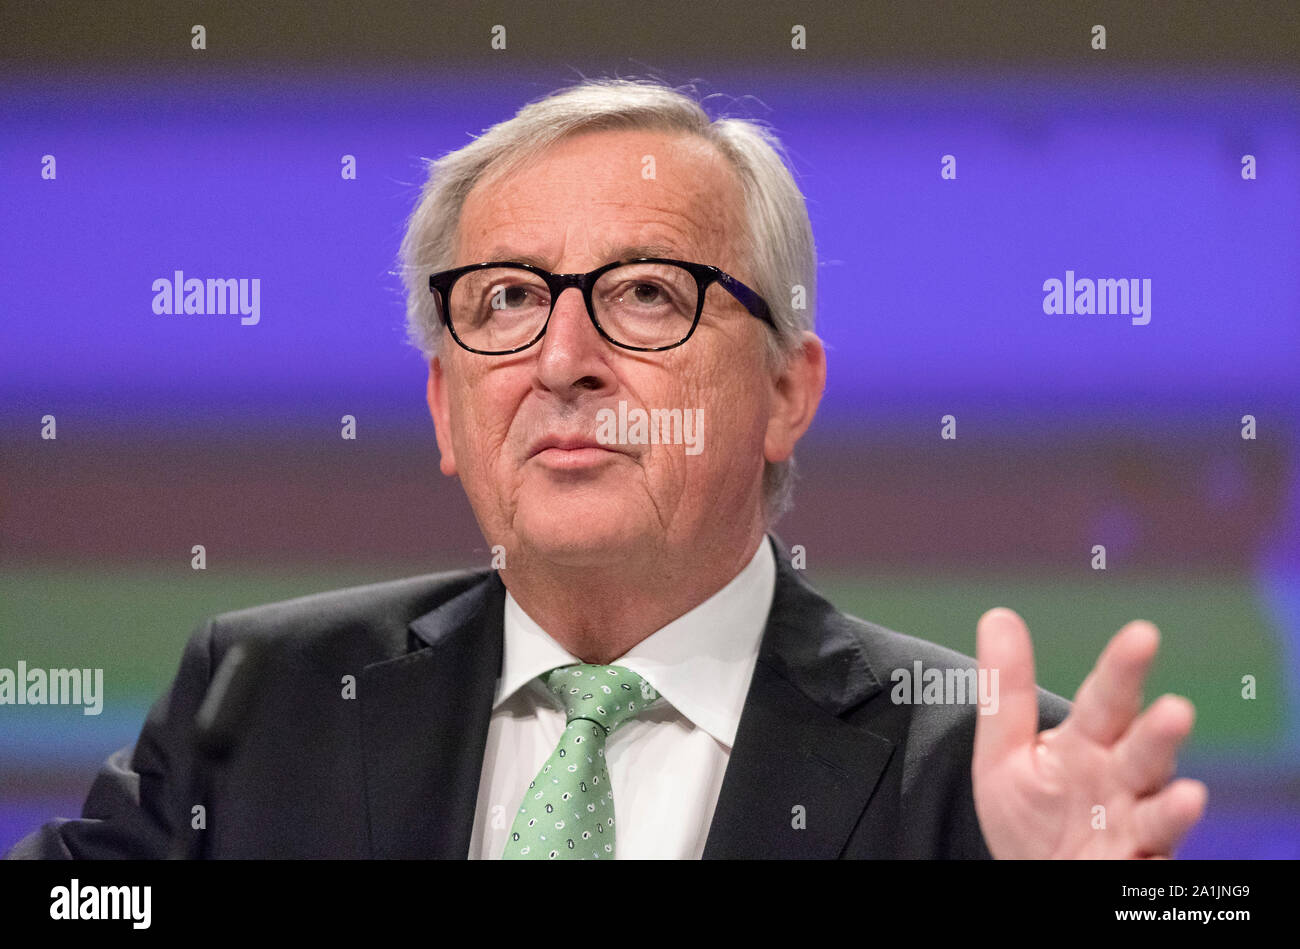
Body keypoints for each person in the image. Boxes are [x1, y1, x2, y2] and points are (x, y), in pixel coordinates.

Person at [6, 78, 1206, 859]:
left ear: (786, 392)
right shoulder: (262, 703)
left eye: (644, 294)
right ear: (445, 405)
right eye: (508, 299)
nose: (562, 359)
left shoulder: (987, 780)